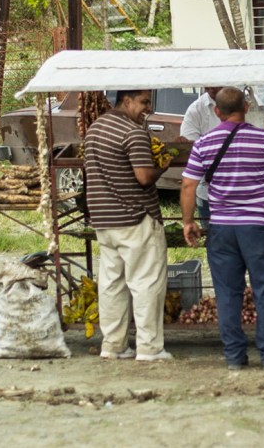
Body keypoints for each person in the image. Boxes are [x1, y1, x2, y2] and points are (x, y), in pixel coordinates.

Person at [180, 87, 264, 371]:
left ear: (216, 111)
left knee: (227, 293)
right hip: (258, 227)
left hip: (221, 228)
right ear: (246, 107)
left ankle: (234, 356)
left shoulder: (203, 144)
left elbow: (188, 185)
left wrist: (188, 221)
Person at [84, 89, 174, 362]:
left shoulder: (95, 129)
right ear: (127, 101)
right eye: (144, 102)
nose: (148, 108)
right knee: (146, 283)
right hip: (136, 219)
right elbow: (145, 177)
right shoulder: (133, 133)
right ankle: (149, 348)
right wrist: (165, 165)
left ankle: (113, 345)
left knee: (112, 284)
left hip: (104, 219)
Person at [180, 87, 222, 228]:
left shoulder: (245, 101)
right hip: (208, 193)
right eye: (207, 83)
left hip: (246, 195)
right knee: (213, 241)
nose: (211, 87)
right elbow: (190, 149)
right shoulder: (196, 109)